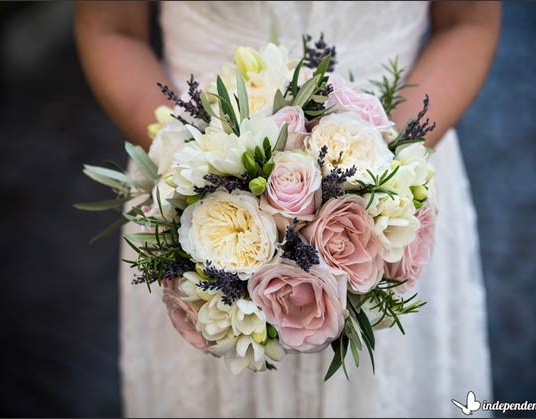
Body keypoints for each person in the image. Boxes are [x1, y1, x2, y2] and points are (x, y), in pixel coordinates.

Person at [75, 1, 501, 417]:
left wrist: (383, 172)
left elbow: (467, 21)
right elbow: (112, 28)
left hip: (391, 188)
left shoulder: (388, 177)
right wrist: (194, 164)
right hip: (196, 180)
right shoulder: (193, 170)